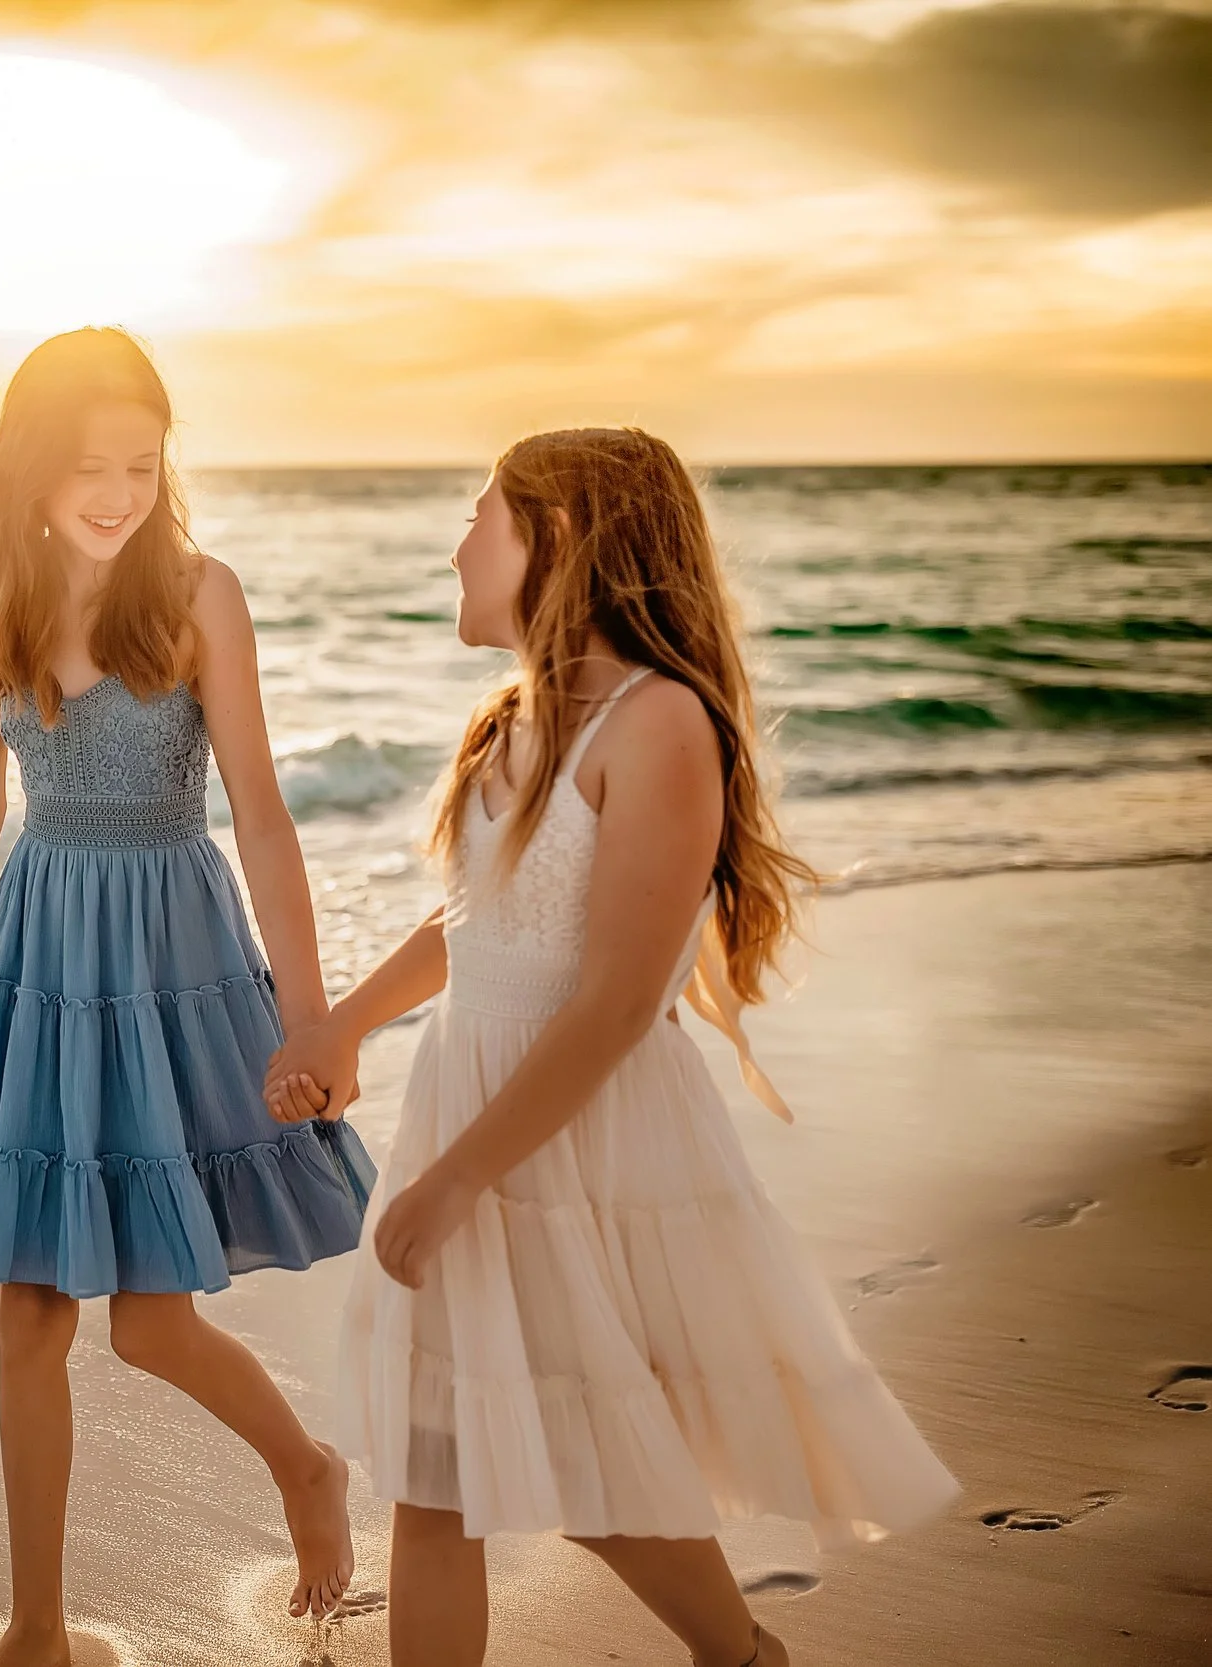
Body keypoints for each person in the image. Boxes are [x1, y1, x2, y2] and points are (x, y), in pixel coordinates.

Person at [264, 428, 958, 1667]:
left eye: (483, 517)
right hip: (469, 1101)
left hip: (570, 1134)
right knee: (435, 1464)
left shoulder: (658, 726)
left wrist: (461, 1172)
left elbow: (618, 1000)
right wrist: (343, 1021)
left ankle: (738, 1654)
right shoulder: (503, 724)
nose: (457, 544)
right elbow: (471, 917)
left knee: (586, 1460)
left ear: (560, 542)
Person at [0, 327, 378, 1663]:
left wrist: (314, 1011)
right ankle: (40, 1624)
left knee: (153, 1322)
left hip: (169, 958)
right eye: (88, 466)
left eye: (141, 462)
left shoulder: (198, 593)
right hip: (42, 960)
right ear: (29, 469)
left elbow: (265, 815)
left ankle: (304, 1466)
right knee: (28, 1313)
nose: (116, 490)